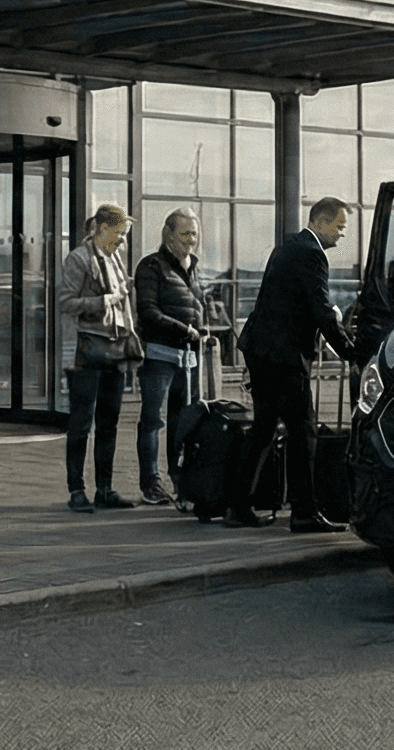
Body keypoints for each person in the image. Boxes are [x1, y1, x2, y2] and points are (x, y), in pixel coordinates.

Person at [234, 196, 359, 533]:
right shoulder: (312, 253)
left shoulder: (287, 246)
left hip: (262, 351)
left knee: (262, 429)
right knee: (303, 433)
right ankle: (304, 512)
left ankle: (238, 505)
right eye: (339, 227)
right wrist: (351, 352)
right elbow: (320, 310)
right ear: (320, 221)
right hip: (284, 358)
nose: (342, 235)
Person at [55, 203, 140, 513]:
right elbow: (65, 302)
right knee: (80, 423)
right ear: (103, 229)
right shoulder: (79, 259)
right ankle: (76, 490)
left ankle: (104, 488)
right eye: (119, 235)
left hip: (114, 350)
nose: (121, 242)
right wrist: (107, 299)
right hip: (85, 350)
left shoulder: (114, 259)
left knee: (109, 423)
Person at [130, 209, 207, 507]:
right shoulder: (151, 266)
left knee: (182, 424)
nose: (191, 240)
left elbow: (193, 304)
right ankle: (151, 485)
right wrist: (185, 329)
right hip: (159, 356)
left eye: (195, 234)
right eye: (185, 234)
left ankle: (180, 482)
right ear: (168, 235)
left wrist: (201, 323)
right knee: (152, 420)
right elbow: (148, 312)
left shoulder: (194, 267)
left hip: (189, 359)